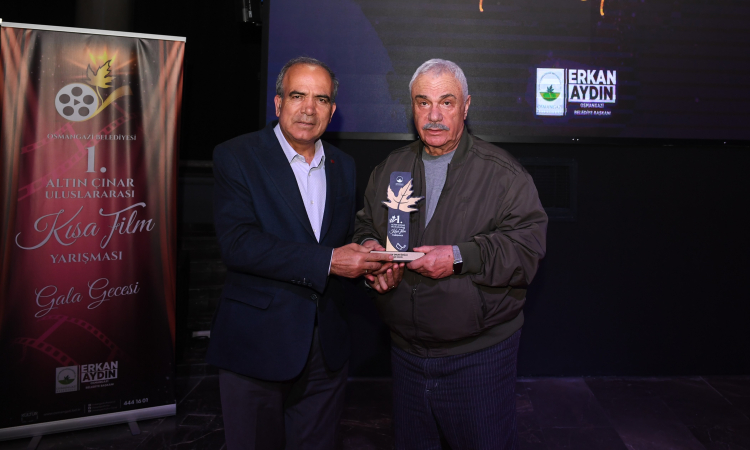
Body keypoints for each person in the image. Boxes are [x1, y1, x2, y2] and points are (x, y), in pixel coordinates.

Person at [354, 59, 548, 449]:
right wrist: (370, 252)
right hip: (406, 355)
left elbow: (526, 250)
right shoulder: (390, 169)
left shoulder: (503, 175)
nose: (434, 115)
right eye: (423, 103)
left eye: (446, 102)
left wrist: (459, 257)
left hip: (478, 358)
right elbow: (366, 227)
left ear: (466, 106)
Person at [207, 56, 393, 450]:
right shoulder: (237, 155)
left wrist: (368, 252)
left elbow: (344, 236)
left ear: (332, 110)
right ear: (278, 103)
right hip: (256, 346)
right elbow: (238, 244)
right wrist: (329, 262)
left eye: (321, 99)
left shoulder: (343, 165)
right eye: (297, 96)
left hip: (326, 349)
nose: (309, 108)